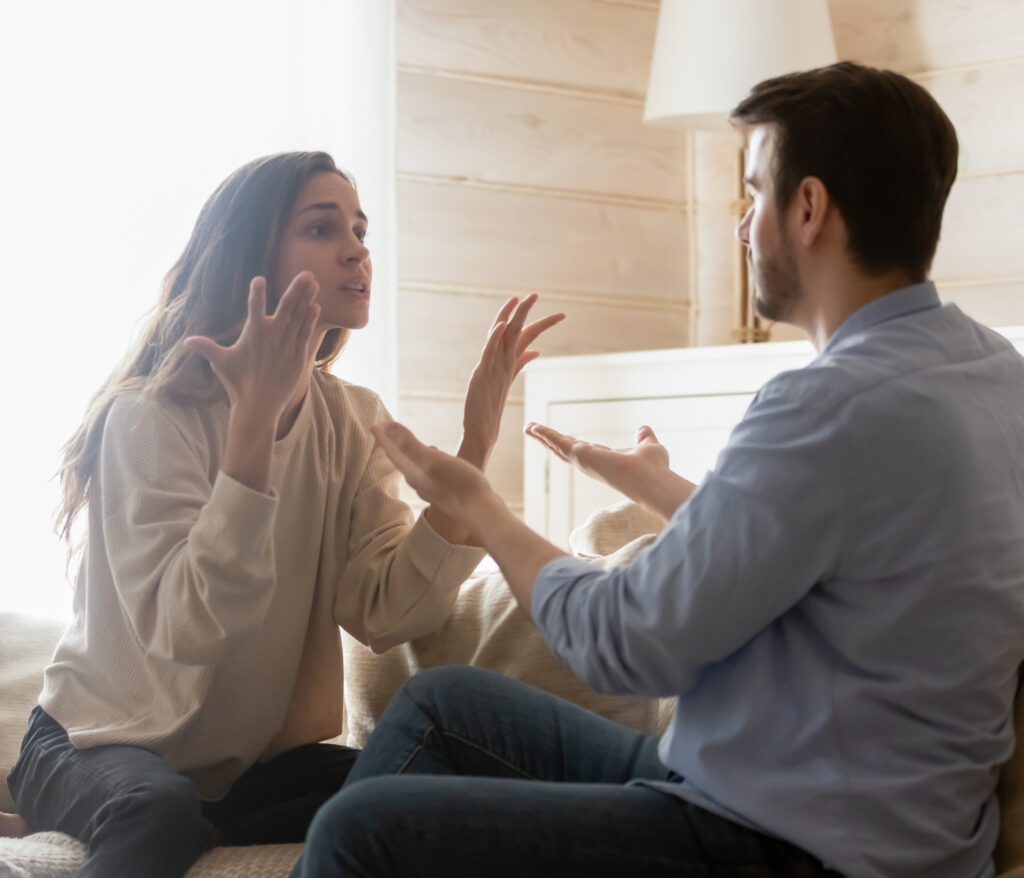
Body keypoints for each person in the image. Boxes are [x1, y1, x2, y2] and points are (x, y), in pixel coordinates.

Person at [291, 62, 1024, 878]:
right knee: (442, 703)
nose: (744, 228)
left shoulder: (826, 405)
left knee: (362, 831)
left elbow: (624, 644)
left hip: (786, 846)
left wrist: (487, 512)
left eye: (754, 196)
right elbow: (844, 551)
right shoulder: (996, 376)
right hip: (841, 811)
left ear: (809, 208)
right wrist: (663, 490)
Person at [1, 151, 563, 878]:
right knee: (157, 811)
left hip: (238, 774)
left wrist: (474, 453)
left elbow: (386, 612)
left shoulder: (351, 418)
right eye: (323, 228)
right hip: (95, 745)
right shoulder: (149, 416)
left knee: (419, 791)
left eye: (359, 229)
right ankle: (67, 806)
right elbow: (187, 635)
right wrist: (253, 429)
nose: (357, 248)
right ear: (251, 254)